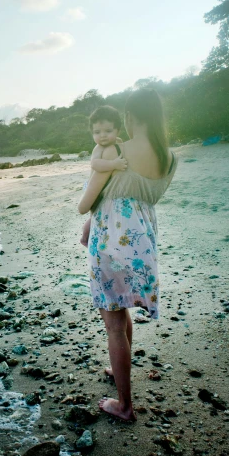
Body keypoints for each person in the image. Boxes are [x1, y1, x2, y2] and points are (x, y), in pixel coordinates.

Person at [77, 90, 177, 422]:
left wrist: (87, 217)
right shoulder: (170, 158)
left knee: (114, 324)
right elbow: (129, 196)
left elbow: (87, 201)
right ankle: (120, 369)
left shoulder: (116, 150)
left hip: (109, 244)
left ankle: (124, 405)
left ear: (130, 116)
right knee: (124, 309)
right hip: (142, 245)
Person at [79, 107, 128, 247]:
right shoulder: (98, 148)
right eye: (97, 132)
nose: (102, 136)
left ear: (117, 130)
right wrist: (113, 164)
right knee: (93, 215)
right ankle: (85, 237)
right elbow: (95, 164)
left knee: (99, 216)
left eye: (108, 131)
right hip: (94, 187)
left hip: (106, 187)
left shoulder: (118, 142)